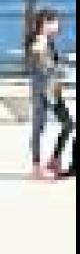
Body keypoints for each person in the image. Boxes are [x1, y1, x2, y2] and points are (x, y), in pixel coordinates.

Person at [26, 9, 74, 181]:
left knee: (68, 124)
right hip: (42, 91)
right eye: (53, 22)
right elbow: (44, 67)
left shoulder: (49, 42)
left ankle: (54, 160)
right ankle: (36, 167)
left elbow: (52, 66)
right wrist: (61, 70)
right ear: (44, 24)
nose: (57, 25)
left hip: (53, 89)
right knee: (38, 128)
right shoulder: (39, 44)